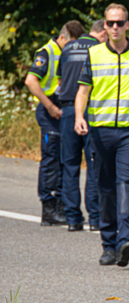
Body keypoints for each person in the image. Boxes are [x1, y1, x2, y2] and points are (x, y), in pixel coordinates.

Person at [74, 4, 129, 267]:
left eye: (119, 23)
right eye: (110, 23)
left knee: (127, 184)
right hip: (100, 132)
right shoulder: (95, 54)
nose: (114, 27)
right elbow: (82, 92)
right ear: (105, 25)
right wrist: (79, 116)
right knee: (105, 188)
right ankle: (108, 246)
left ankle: (126, 241)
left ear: (128, 25)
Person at [25, 20, 85, 225]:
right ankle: (49, 208)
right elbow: (30, 81)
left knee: (63, 158)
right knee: (51, 158)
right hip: (50, 108)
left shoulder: (67, 51)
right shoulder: (47, 52)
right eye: (72, 44)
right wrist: (50, 106)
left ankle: (61, 204)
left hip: (63, 109)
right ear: (62, 38)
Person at [57, 19, 107, 231]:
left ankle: (72, 218)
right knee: (94, 164)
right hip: (91, 110)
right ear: (103, 33)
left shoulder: (67, 48)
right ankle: (95, 218)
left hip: (68, 111)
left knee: (70, 166)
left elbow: (60, 82)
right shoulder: (99, 49)